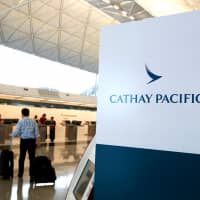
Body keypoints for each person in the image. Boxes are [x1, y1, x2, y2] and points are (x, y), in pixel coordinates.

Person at [12, 108, 39, 182]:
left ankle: (20, 173)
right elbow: (37, 133)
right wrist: (37, 142)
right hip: (32, 141)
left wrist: (12, 135)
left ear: (22, 114)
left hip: (24, 141)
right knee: (32, 158)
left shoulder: (21, 121)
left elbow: (16, 132)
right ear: (29, 113)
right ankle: (32, 175)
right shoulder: (34, 121)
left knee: (22, 158)